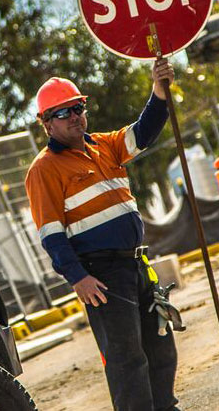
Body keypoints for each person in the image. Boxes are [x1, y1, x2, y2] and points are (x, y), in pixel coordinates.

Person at [24, 59, 178, 411]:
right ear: (45, 123)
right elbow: (51, 234)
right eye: (63, 113)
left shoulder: (105, 145)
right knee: (127, 361)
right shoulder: (44, 169)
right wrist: (78, 278)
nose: (75, 116)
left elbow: (145, 132)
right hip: (102, 276)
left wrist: (158, 90)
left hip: (136, 265)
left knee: (160, 346)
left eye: (78, 107)